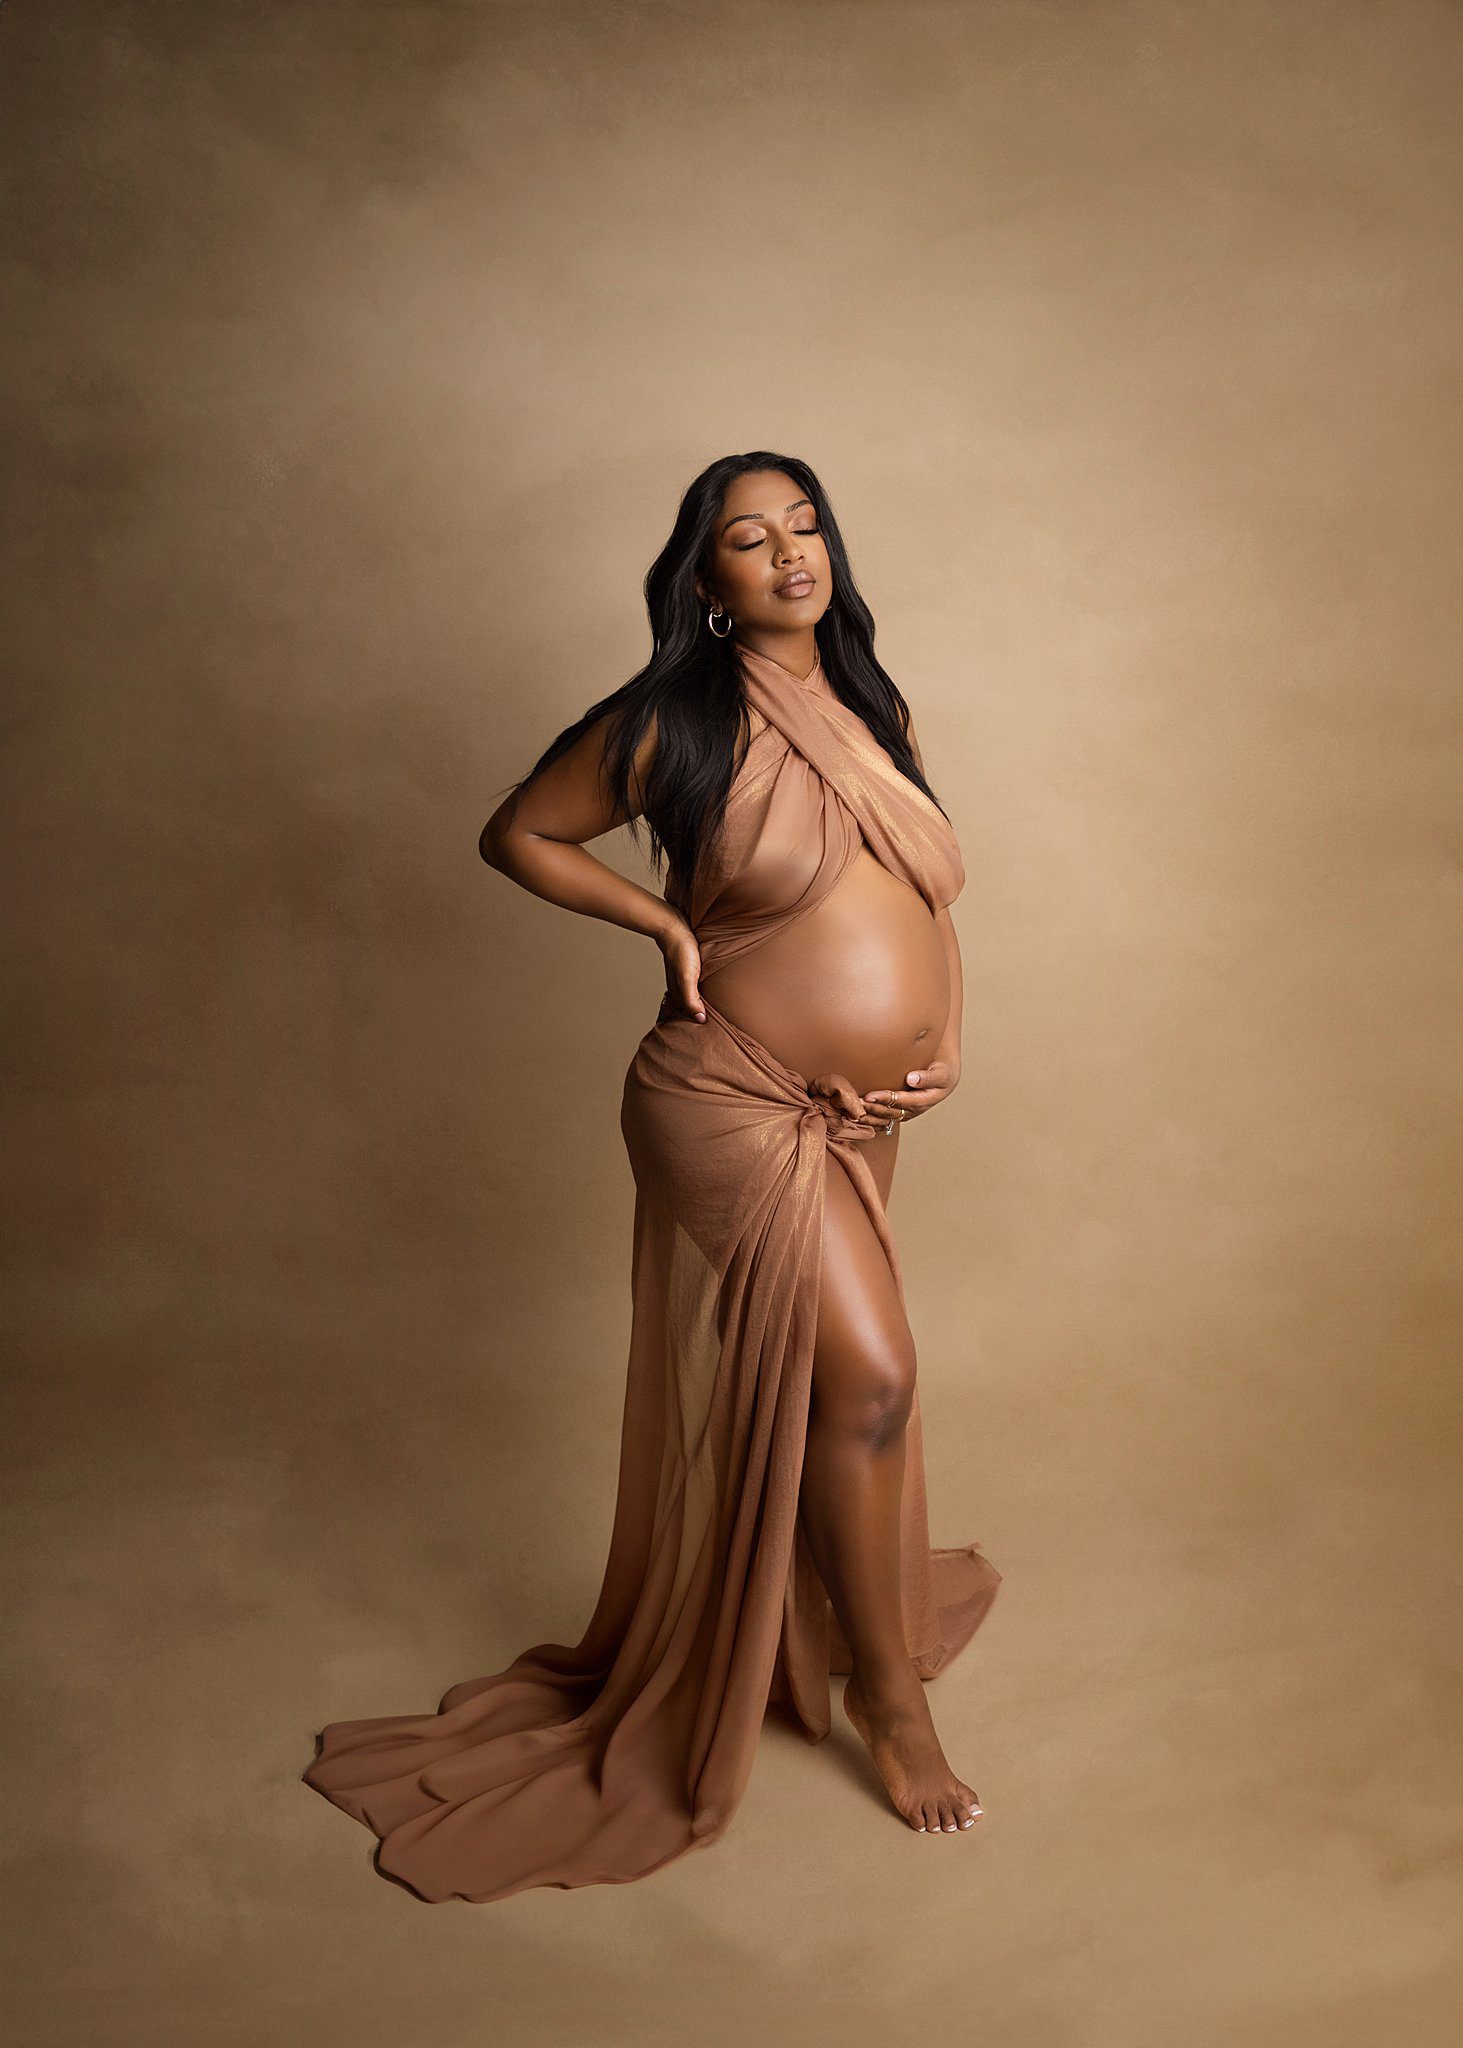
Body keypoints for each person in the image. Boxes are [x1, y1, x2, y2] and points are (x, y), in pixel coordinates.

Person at [301, 450, 1002, 1904]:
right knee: (869, 1382)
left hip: (861, 1107)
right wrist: (661, 928)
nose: (791, 553)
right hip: (728, 1098)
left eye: (806, 526)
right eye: (751, 539)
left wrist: (945, 1043)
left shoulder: (877, 708)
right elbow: (521, 832)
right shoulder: (672, 718)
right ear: (707, 581)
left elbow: (925, 895)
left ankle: (835, 1637)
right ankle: (894, 1705)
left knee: (834, 1391)